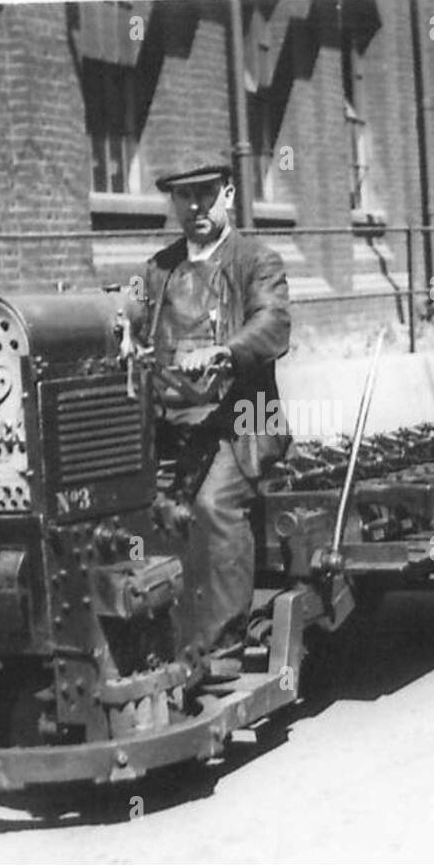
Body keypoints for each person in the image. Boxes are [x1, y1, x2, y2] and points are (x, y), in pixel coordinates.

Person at [123, 148, 291, 653]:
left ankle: (221, 648)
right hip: (174, 421)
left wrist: (228, 350)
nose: (195, 206)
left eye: (205, 194)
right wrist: (122, 325)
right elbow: (130, 301)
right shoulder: (158, 267)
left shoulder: (257, 260)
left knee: (213, 506)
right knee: (134, 512)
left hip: (245, 418)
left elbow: (273, 323)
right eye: (183, 196)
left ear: (229, 195)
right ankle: (157, 634)